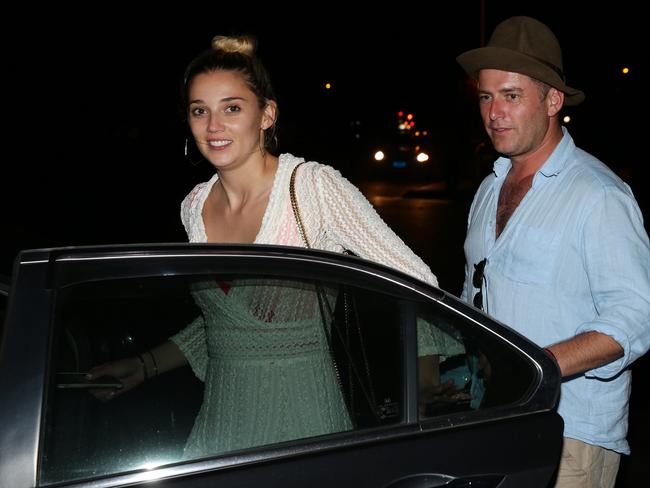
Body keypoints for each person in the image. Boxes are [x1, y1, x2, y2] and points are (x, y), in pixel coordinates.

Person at [89, 34, 464, 459]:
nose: (213, 126)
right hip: (220, 426)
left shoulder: (311, 188)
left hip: (304, 425)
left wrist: (425, 380)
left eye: (232, 108)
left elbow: (417, 283)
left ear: (266, 115)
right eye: (200, 111)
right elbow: (229, 322)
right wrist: (143, 366)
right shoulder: (194, 206)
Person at [456, 16, 650, 488]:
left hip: (571, 433)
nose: (494, 113)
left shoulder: (598, 194)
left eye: (512, 95)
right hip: (494, 419)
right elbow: (475, 293)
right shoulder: (489, 188)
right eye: (486, 97)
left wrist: (535, 366)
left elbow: (635, 317)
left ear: (553, 101)